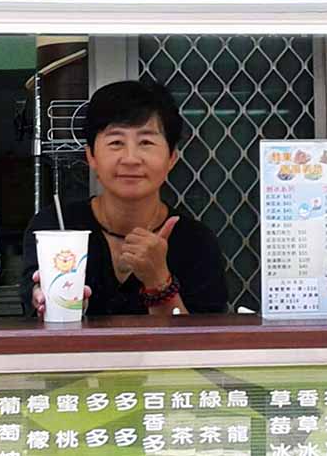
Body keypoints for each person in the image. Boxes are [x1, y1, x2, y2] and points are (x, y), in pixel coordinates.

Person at [21, 80, 228, 316]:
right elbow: (36, 313)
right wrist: (51, 302)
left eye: (146, 142)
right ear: (91, 156)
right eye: (116, 142)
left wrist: (158, 281)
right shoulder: (54, 227)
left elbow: (202, 338)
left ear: (171, 158)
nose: (131, 158)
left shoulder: (196, 243)